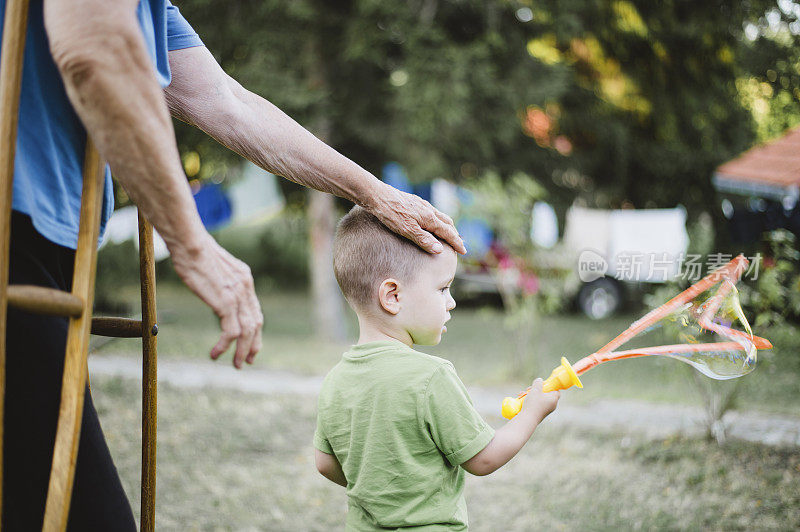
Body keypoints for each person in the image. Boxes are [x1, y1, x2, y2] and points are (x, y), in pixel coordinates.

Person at [4, 0, 464, 529]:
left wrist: (374, 192)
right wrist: (192, 242)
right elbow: (94, 47)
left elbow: (226, 101)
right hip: (12, 236)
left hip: (48, 244)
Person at [313, 206, 560, 530]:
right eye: (443, 288)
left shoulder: (335, 381)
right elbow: (483, 458)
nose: (451, 301)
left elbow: (325, 464)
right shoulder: (431, 378)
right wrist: (532, 413)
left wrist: (377, 482)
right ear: (392, 296)